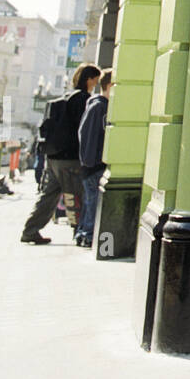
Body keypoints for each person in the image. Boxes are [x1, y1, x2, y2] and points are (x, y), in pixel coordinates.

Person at [20, 64, 100, 245]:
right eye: (95, 80)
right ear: (89, 79)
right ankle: (79, 233)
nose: (95, 84)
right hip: (71, 158)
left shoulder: (62, 99)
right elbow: (83, 130)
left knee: (48, 196)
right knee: (77, 196)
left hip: (53, 157)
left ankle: (30, 230)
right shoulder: (84, 100)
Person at [75, 69, 112, 249]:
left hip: (93, 165)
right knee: (92, 204)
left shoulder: (98, 106)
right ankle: (87, 235)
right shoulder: (99, 107)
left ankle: (83, 234)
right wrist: (90, 163)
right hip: (93, 166)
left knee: (90, 203)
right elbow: (87, 135)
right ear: (110, 86)